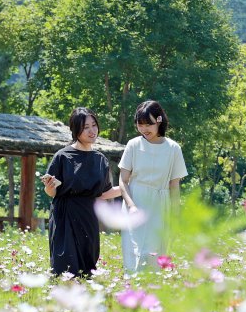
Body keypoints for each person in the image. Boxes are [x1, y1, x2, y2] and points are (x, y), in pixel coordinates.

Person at [41, 107, 121, 277]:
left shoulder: (100, 159)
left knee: (87, 267)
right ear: (75, 129)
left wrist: (129, 188)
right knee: (65, 269)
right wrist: (49, 186)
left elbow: (103, 193)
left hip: (88, 216)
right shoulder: (62, 156)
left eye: (94, 125)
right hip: (65, 215)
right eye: (86, 127)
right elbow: (52, 192)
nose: (92, 131)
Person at [118, 100, 187, 271]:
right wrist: (131, 205)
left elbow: (174, 186)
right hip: (135, 202)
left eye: (148, 124)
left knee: (154, 254)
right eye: (139, 124)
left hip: (160, 205)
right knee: (135, 253)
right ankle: (132, 292)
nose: (143, 129)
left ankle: (153, 293)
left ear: (159, 120)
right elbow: (123, 180)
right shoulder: (133, 145)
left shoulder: (173, 149)